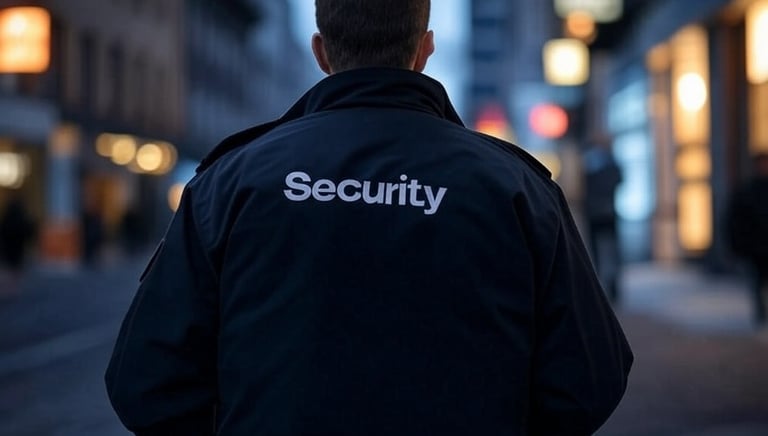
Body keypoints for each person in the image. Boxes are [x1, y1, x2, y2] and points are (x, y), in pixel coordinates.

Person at [105, 1, 633, 435]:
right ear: (425, 48)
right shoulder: (515, 187)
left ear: (320, 51)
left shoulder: (232, 181)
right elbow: (590, 379)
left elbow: (146, 382)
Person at [726, 152, 768, 327]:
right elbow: (736, 220)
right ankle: (760, 312)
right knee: (757, 282)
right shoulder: (747, 191)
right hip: (756, 247)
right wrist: (740, 245)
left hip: (759, 244)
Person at [583, 136, 623, 303]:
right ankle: (610, 287)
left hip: (597, 213)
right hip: (606, 211)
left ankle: (604, 286)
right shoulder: (609, 164)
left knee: (600, 252)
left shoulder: (590, 164)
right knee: (609, 251)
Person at [0, 194, 35, 295]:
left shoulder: (6, 218)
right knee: (15, 268)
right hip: (18, 247)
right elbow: (27, 231)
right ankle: (12, 288)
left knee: (8, 268)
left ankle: (7, 287)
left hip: (7, 247)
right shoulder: (21, 217)